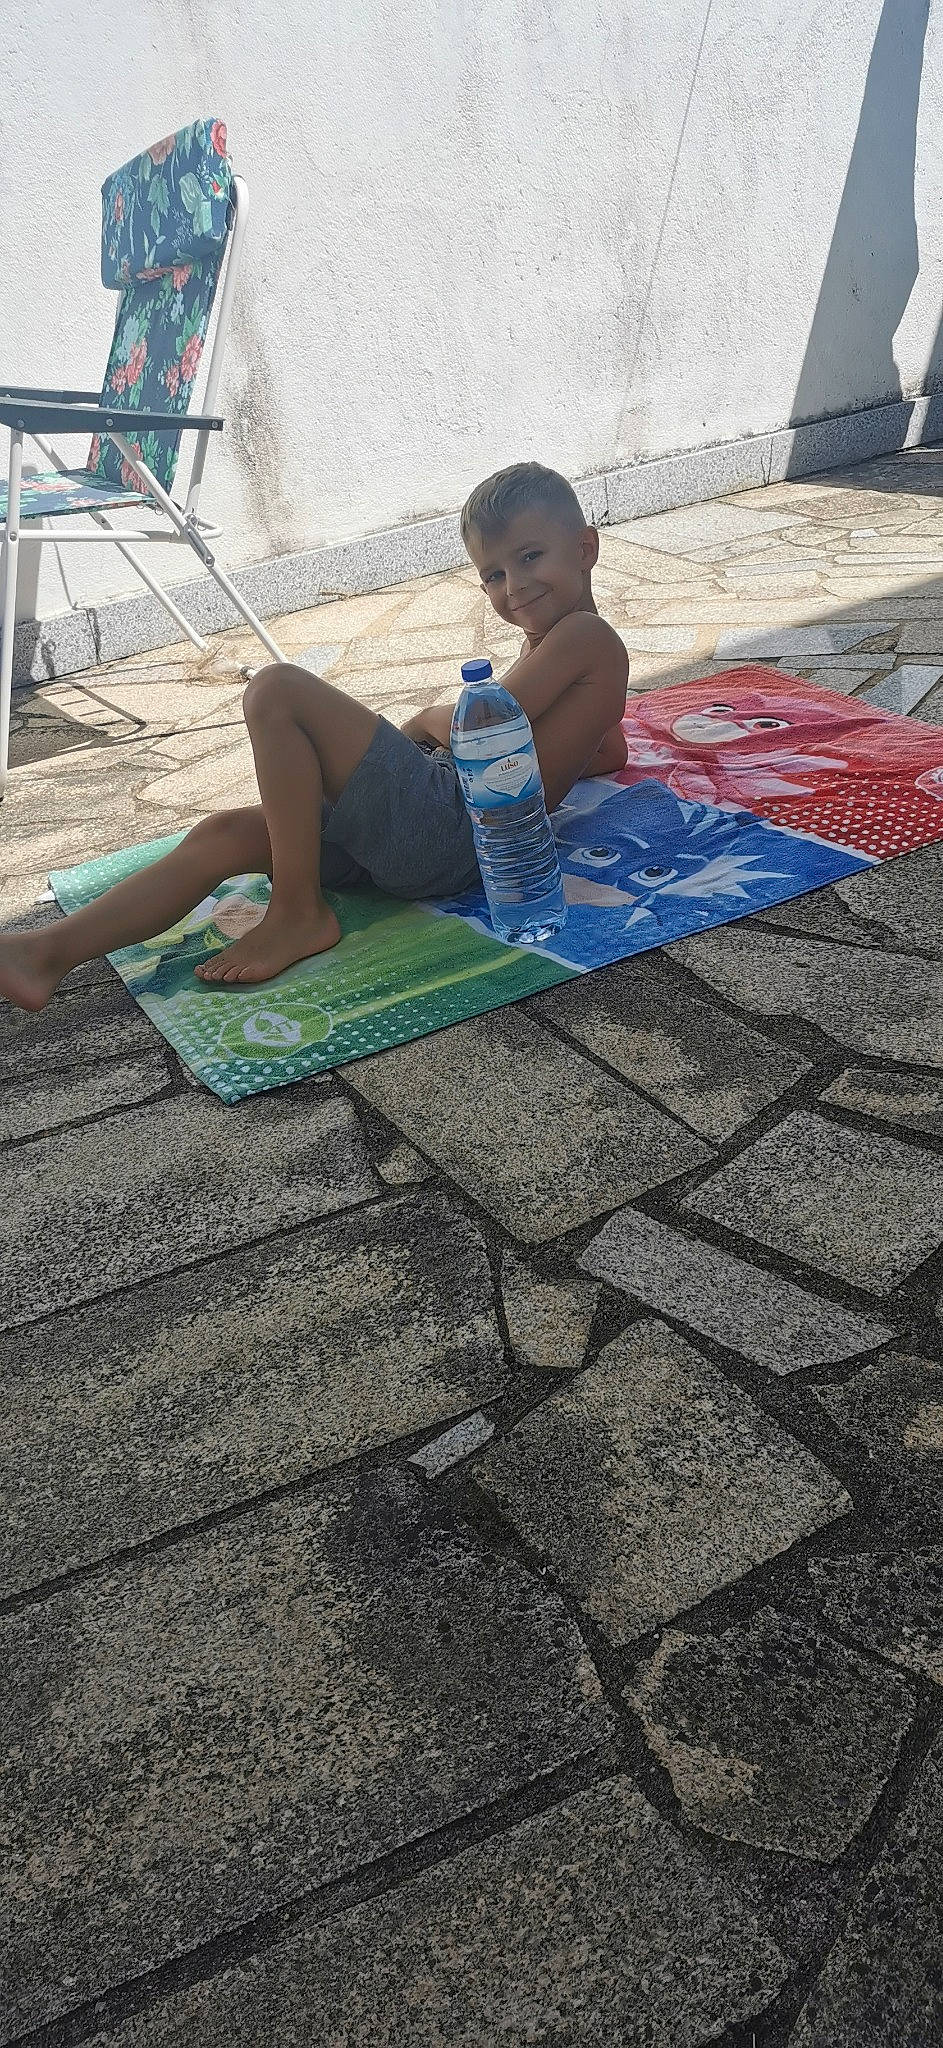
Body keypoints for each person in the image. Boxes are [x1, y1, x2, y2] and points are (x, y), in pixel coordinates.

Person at [0, 462, 628, 1011]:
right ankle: (46, 954)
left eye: (528, 557)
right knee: (230, 833)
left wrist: (431, 719)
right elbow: (607, 749)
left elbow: (477, 733)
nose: (512, 586)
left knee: (278, 691)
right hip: (429, 840)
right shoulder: (568, 648)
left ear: (585, 547)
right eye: (491, 574)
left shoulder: (585, 637)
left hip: (453, 827)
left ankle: (297, 910)